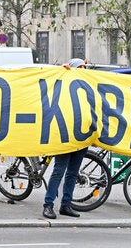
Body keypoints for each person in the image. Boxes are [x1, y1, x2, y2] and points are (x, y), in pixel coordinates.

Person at [43, 57, 90, 219]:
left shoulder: (87, 87)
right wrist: (59, 70)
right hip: (64, 134)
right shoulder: (63, 86)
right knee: (59, 171)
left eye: (84, 69)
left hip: (82, 136)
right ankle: (48, 204)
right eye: (79, 68)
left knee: (72, 173)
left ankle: (66, 204)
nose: (82, 71)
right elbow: (48, 80)